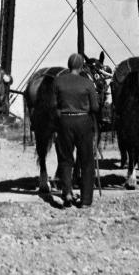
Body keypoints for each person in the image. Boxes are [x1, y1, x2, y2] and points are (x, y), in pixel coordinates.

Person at [52, 53, 100, 209]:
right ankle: (85, 200)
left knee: (65, 159)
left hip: (64, 122)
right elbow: (94, 108)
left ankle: (67, 193)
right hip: (83, 122)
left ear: (68, 65)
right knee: (87, 160)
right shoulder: (87, 83)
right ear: (81, 67)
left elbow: (54, 106)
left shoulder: (58, 81)